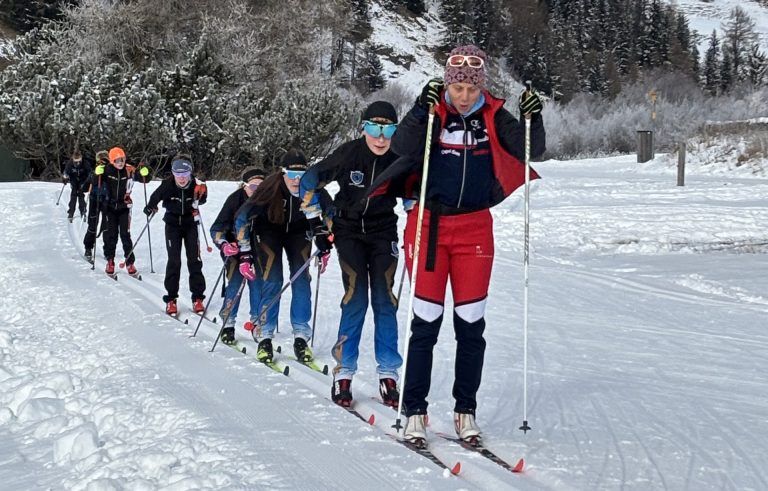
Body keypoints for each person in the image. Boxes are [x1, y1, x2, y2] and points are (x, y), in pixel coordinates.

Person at [377, 45, 546, 446]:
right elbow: (402, 147)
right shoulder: (434, 113)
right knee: (425, 324)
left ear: (480, 86)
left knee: (471, 326)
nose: (464, 96)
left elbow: (531, 149)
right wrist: (422, 108)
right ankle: (414, 409)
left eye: (471, 88)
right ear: (448, 84)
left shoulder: (493, 116)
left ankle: (464, 410)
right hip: (430, 228)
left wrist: (532, 118)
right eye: (457, 88)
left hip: (474, 230)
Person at [298, 101, 404, 409]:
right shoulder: (349, 153)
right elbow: (308, 182)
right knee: (356, 296)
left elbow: (414, 191)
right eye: (374, 129)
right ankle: (344, 372)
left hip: (384, 232)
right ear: (364, 128)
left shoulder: (399, 158)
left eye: (388, 130)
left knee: (385, 299)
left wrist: (417, 213)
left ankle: (388, 374)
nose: (381, 138)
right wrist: (317, 223)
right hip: (349, 232)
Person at [235, 150, 327, 363]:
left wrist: (326, 240)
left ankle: (301, 334)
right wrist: (245, 252)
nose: (297, 181)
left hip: (299, 233)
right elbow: (242, 217)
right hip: (269, 232)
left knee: (301, 278)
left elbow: (329, 212)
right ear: (282, 173)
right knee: (273, 279)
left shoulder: (312, 186)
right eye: (292, 175)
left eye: (301, 175)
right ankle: (265, 333)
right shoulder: (270, 186)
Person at [144, 155, 208, 315]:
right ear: (172, 173)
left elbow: (203, 199)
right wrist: (150, 206)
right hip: (172, 224)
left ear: (190, 173)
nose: (181, 178)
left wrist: (202, 195)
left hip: (190, 224)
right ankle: (171, 299)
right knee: (174, 260)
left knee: (194, 259)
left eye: (185, 174)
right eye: (177, 174)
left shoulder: (196, 184)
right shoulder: (167, 184)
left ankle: (198, 297)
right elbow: (156, 196)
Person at [209, 166, 267, 345]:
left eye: (262, 187)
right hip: (235, 249)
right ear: (244, 186)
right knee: (235, 282)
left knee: (257, 285)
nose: (257, 191)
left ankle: (258, 323)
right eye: (253, 187)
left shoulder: (268, 201)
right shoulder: (234, 200)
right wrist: (224, 244)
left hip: (257, 250)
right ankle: (228, 324)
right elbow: (217, 228)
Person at [98, 147, 139, 277]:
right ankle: (110, 261)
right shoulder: (107, 170)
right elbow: (95, 182)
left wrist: (145, 171)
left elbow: (145, 177)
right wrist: (96, 173)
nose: (120, 163)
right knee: (112, 236)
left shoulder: (129, 170)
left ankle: (129, 262)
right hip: (110, 207)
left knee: (125, 235)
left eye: (122, 160)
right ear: (111, 161)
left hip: (124, 207)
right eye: (117, 161)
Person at [83, 150, 110, 262]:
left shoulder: (110, 171)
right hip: (95, 199)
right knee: (92, 224)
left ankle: (108, 251)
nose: (102, 163)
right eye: (100, 160)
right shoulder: (94, 171)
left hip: (107, 200)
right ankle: (88, 247)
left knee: (107, 226)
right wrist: (95, 175)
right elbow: (85, 187)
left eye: (105, 160)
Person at [63, 150, 92, 222]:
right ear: (73, 160)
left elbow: (90, 172)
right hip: (74, 179)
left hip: (83, 179)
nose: (78, 163)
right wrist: (65, 178)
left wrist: (89, 180)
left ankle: (83, 211)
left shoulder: (85, 163)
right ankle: (71, 212)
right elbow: (66, 172)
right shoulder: (70, 164)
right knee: (73, 194)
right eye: (76, 162)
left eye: (79, 161)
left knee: (81, 194)